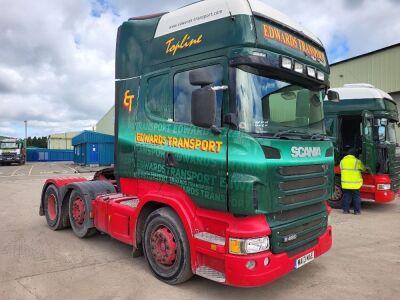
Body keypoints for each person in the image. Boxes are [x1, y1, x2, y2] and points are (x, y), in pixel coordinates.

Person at [340, 149, 366, 215]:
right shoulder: (357, 161)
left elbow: (341, 169)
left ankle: (345, 210)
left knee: (346, 196)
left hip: (345, 183)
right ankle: (357, 212)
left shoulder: (342, 161)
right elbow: (363, 168)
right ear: (354, 155)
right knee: (356, 197)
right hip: (355, 184)